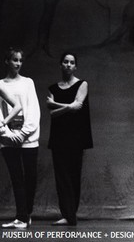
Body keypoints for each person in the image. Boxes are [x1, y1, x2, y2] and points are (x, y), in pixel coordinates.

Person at [47, 52, 93, 226]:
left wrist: (58, 106)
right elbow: (52, 112)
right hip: (59, 137)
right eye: (65, 62)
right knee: (61, 177)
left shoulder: (82, 84)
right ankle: (66, 214)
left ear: (75, 66)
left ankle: (70, 215)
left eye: (71, 62)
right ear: (60, 65)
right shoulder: (53, 88)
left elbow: (78, 106)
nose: (68, 65)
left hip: (76, 138)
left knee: (73, 175)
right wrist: (68, 106)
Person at [0, 47, 41, 229]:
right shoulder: (1, 84)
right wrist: (7, 134)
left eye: (20, 60)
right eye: (14, 60)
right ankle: (21, 217)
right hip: (8, 140)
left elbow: (33, 109)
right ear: (7, 61)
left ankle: (26, 214)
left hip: (29, 139)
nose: (17, 63)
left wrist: (23, 133)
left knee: (30, 178)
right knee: (16, 178)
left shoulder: (28, 83)